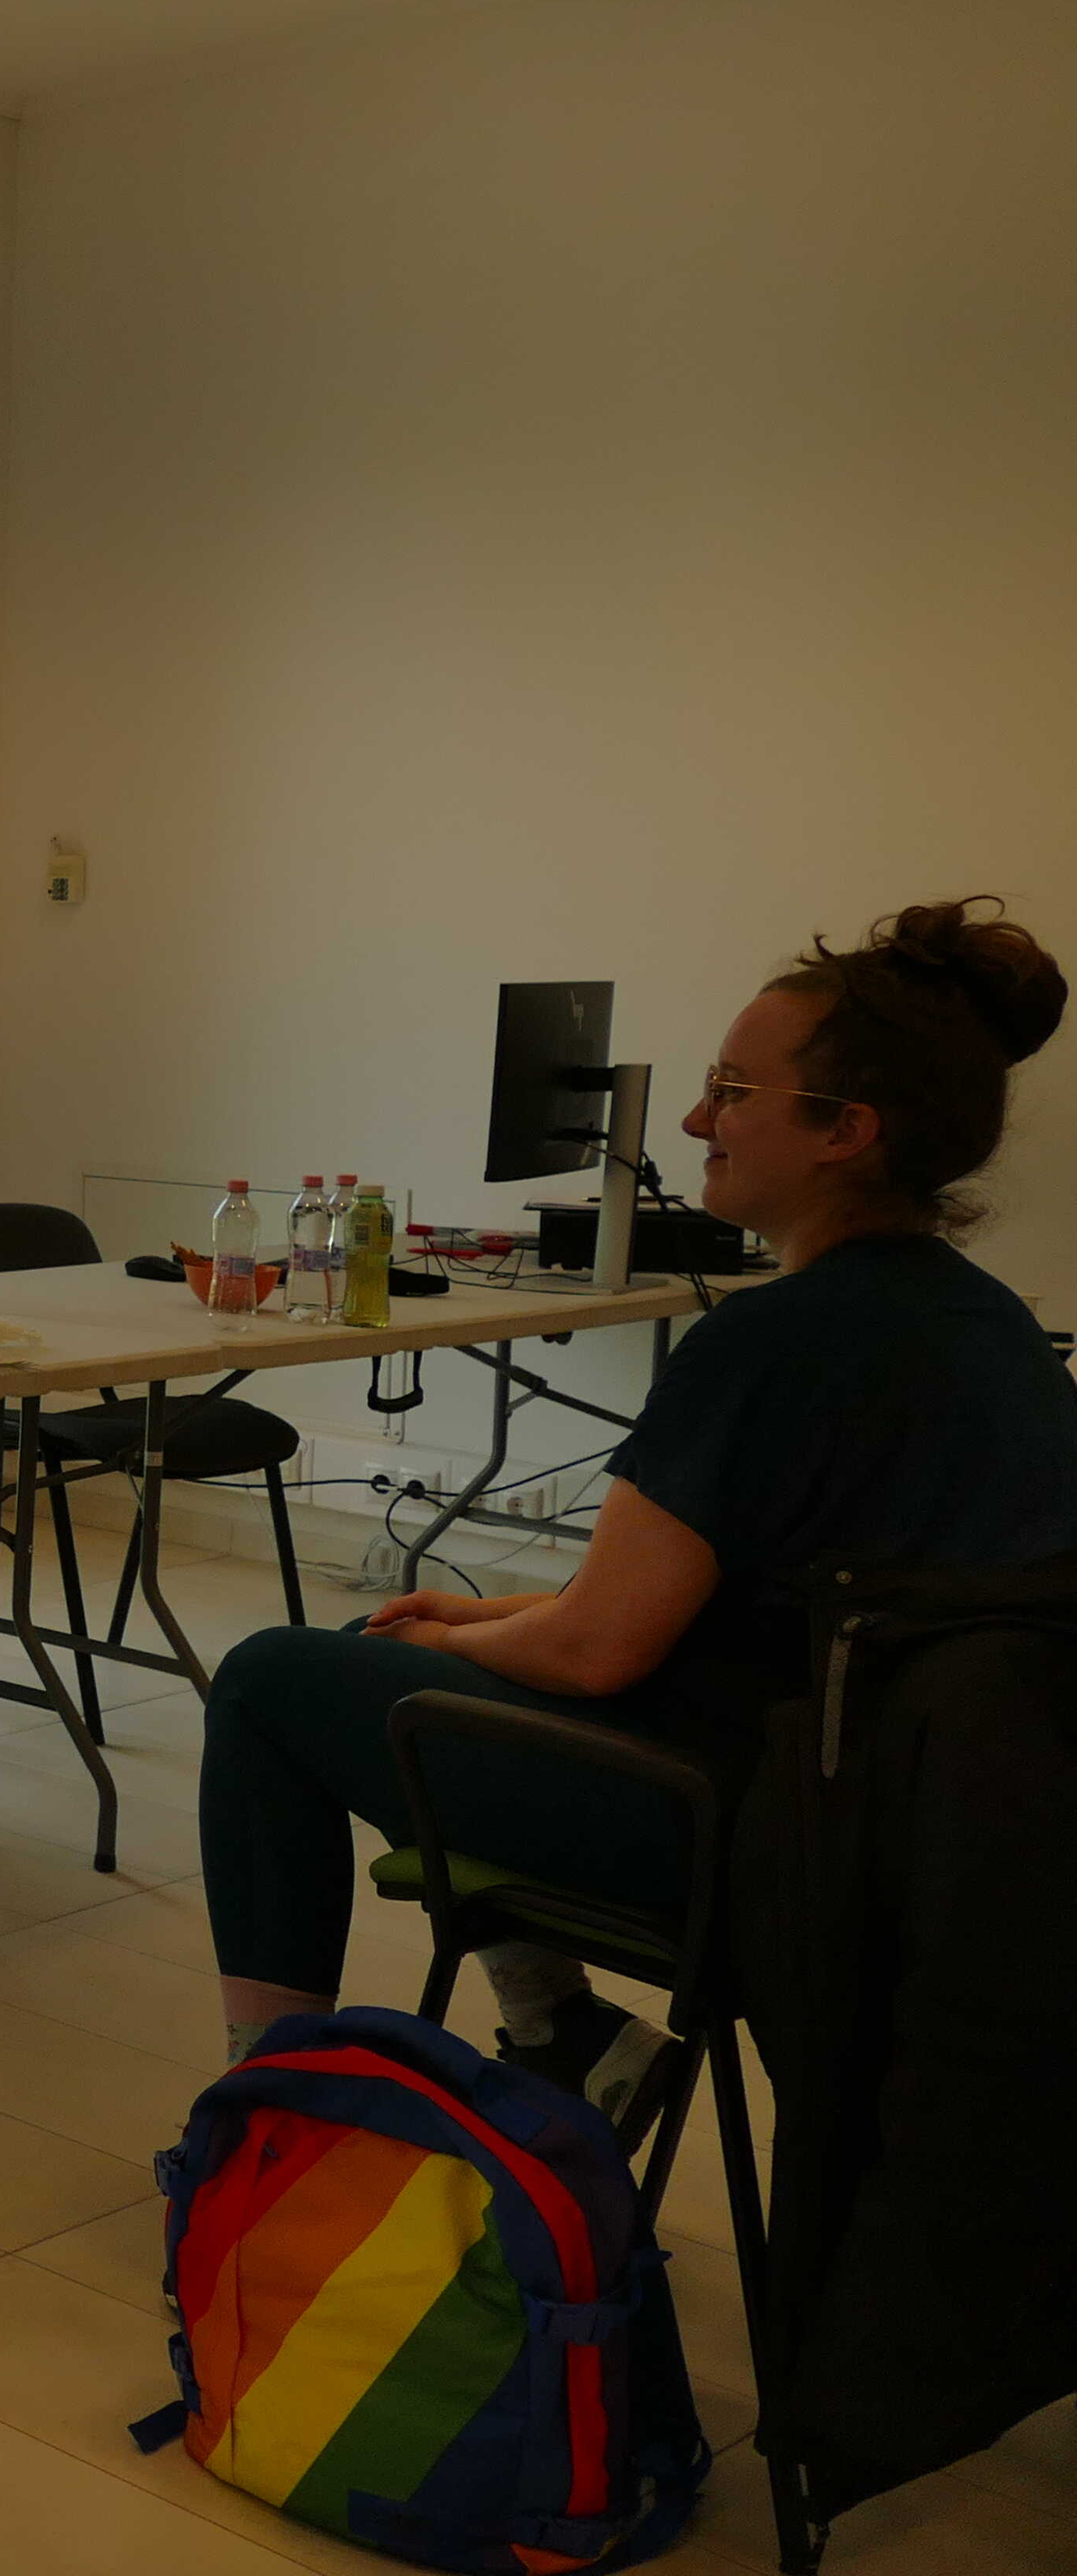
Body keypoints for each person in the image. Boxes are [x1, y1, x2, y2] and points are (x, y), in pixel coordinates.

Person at [199, 898, 1077, 2115]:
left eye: (732, 1091)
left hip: (743, 1830)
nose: (696, 1121)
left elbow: (597, 1652)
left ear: (844, 1130)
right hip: (909, 1834)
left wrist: (470, 1636)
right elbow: (715, 1603)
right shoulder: (990, 1326)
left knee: (266, 1681)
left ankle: (264, 2111)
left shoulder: (768, 1342)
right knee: (391, 1639)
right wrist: (472, 1622)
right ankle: (560, 2032)